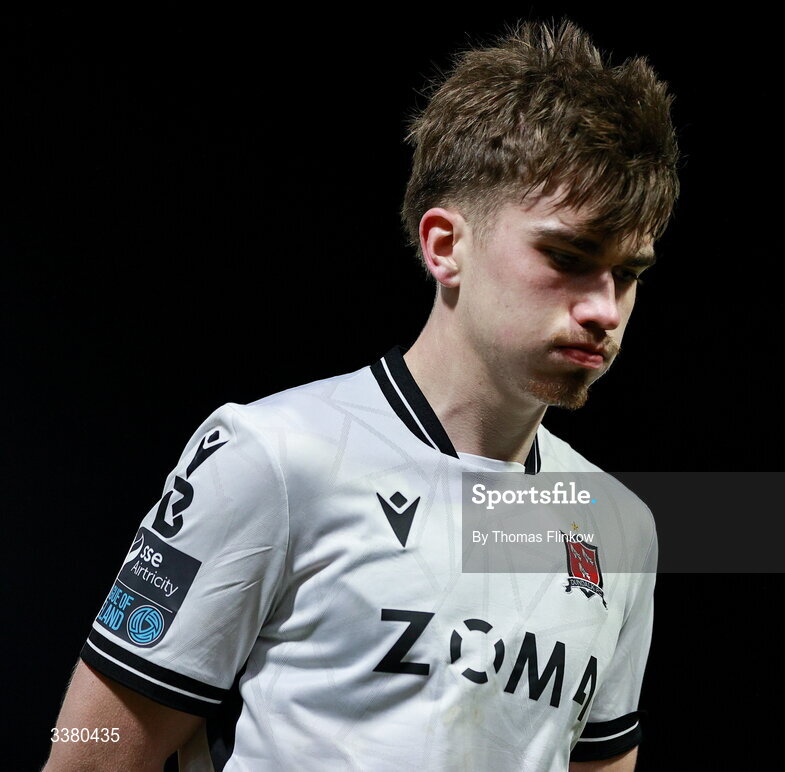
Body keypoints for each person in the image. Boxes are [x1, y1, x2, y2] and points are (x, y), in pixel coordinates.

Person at [45, 17, 679, 771]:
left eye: (628, 274)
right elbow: (87, 755)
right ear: (445, 246)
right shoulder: (273, 457)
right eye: (567, 256)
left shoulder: (618, 527)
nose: (604, 308)